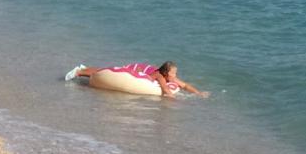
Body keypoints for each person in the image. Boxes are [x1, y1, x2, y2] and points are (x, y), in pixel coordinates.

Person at [66, 61, 208, 98]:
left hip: (139, 73)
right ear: (166, 72)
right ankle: (79, 71)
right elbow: (166, 91)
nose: (174, 76)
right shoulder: (160, 76)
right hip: (133, 72)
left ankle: (84, 68)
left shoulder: (169, 76)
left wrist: (198, 93)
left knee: (101, 71)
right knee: (103, 72)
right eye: (173, 73)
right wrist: (175, 101)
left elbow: (185, 85)